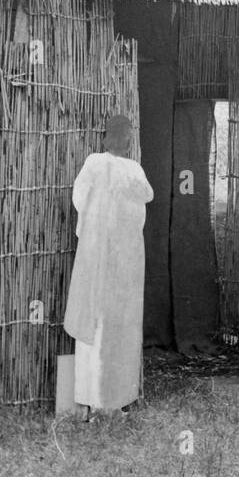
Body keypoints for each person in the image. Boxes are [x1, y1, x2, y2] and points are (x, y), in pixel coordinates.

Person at [64, 114, 153, 416]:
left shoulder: (113, 167)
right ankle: (100, 401)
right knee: (103, 324)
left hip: (117, 257)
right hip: (107, 255)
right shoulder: (113, 167)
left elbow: (82, 199)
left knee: (112, 325)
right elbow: (84, 201)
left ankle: (108, 402)